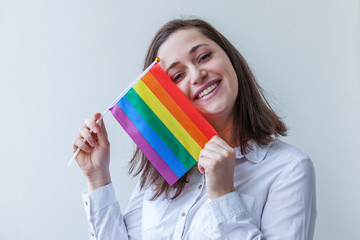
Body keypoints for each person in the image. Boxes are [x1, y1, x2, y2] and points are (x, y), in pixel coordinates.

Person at [72, 18, 317, 240]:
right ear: (165, 97)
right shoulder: (161, 173)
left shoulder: (289, 168)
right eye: (177, 76)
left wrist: (223, 195)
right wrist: (97, 176)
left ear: (230, 59)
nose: (197, 75)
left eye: (203, 57)